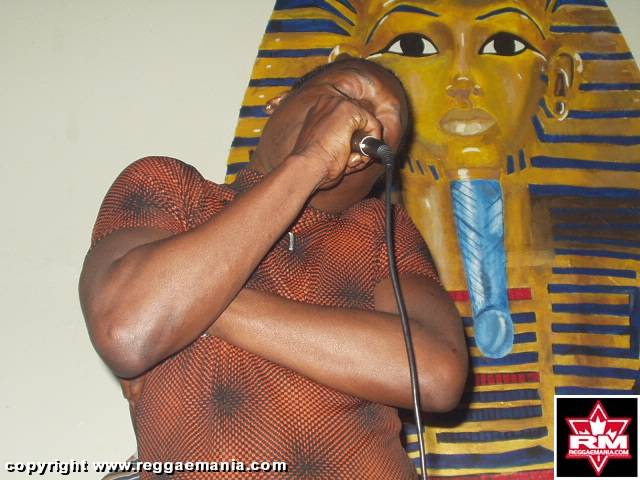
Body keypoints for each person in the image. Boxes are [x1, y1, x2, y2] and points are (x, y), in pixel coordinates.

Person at [79, 58, 468, 479]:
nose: (364, 121)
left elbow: (436, 373)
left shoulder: (381, 229)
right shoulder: (171, 186)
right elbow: (128, 329)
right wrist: (311, 160)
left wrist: (199, 306)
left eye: (385, 127)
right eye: (345, 96)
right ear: (279, 103)